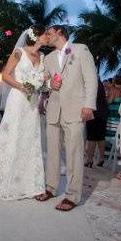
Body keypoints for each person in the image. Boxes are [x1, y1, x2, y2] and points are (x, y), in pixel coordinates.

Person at [0, 25, 48, 200]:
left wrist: (43, 84)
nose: (48, 37)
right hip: (18, 99)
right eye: (45, 34)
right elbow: (7, 75)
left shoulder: (42, 56)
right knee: (14, 134)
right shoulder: (19, 52)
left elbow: (42, 80)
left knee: (30, 137)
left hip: (32, 102)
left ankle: (28, 180)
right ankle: (3, 177)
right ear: (36, 36)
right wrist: (23, 86)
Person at [36, 25, 97, 212]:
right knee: (52, 152)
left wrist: (89, 104)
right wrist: (49, 83)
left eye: (49, 33)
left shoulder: (80, 49)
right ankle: (51, 188)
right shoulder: (48, 57)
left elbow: (91, 79)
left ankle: (72, 196)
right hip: (54, 110)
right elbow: (43, 80)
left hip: (76, 110)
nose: (47, 36)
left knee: (74, 154)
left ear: (60, 33)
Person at [85, 78, 109, 168]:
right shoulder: (100, 84)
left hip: (94, 112)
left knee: (91, 137)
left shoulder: (92, 82)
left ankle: (89, 159)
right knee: (100, 138)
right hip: (103, 112)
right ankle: (101, 158)